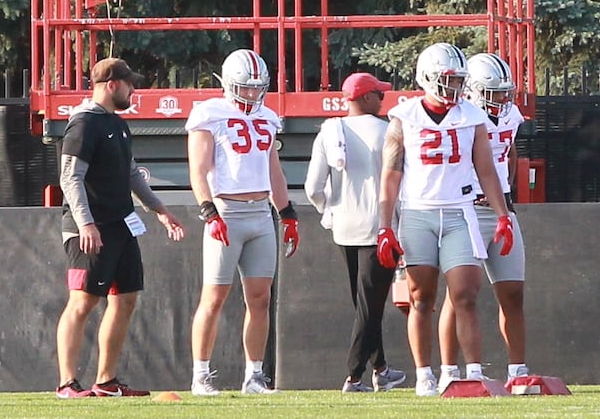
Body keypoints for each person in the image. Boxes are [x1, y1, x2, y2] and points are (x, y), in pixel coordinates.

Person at [377, 42, 516, 397]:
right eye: (449, 79)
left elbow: (486, 169)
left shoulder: (472, 116)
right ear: (429, 78)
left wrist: (502, 215)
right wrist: (385, 225)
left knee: (467, 293)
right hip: (418, 212)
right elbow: (390, 174)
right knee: (421, 298)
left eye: (458, 80)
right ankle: (425, 374)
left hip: (459, 210)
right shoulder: (404, 116)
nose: (455, 87)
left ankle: (470, 372)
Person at [55, 58, 186, 398]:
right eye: (130, 84)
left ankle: (106, 381)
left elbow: (129, 174)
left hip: (121, 226)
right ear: (112, 85)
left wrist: (159, 211)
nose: (133, 90)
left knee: (125, 299)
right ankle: (67, 383)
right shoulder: (84, 124)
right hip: (90, 228)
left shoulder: (117, 124)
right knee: (82, 302)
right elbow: (70, 178)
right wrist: (86, 222)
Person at [187, 48, 302, 396]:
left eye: (257, 87)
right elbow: (198, 168)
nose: (252, 94)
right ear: (229, 84)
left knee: (260, 299)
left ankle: (254, 375)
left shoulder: (267, 116)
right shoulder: (209, 113)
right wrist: (208, 211)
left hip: (260, 215)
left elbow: (273, 170)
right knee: (215, 296)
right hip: (227, 211)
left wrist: (288, 213)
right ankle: (200, 374)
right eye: (246, 87)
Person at [304, 71, 407, 393]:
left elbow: (312, 187)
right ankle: (354, 375)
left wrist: (329, 208)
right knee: (370, 305)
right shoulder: (389, 129)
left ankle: (381, 368)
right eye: (379, 92)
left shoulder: (329, 131)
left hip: (344, 226)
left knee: (364, 303)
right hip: (380, 227)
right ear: (366, 97)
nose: (383, 97)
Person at [436, 52, 531, 385]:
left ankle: (518, 370)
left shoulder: (511, 115)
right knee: (460, 294)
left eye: (506, 92)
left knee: (513, 293)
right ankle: (450, 371)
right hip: (466, 208)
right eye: (495, 92)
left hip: (500, 210)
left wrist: (506, 195)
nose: (503, 99)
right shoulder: (460, 116)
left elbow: (510, 153)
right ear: (474, 90)